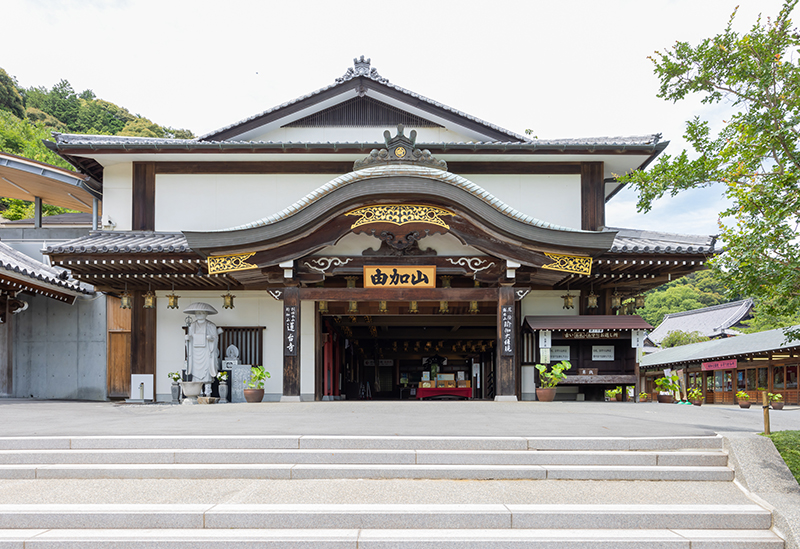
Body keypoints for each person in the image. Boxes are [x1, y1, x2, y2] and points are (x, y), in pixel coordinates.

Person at [184, 303, 223, 396]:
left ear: (206, 314)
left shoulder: (211, 325)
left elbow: (215, 338)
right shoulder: (192, 325)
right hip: (195, 352)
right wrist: (188, 339)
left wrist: (211, 338)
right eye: (197, 313)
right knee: (196, 373)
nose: (199, 314)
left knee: (207, 371)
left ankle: (208, 392)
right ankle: (198, 393)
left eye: (202, 312)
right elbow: (190, 339)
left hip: (206, 352)